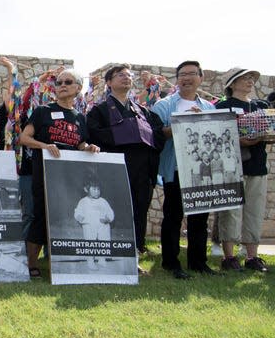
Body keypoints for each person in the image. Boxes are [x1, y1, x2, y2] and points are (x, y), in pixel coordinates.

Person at [18, 69, 100, 278]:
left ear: (78, 88)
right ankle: (31, 264)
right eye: (59, 82)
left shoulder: (80, 117)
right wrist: (45, 145)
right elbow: (24, 139)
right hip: (44, 174)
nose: (62, 85)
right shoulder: (43, 111)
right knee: (39, 217)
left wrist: (89, 147)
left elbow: (80, 143)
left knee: (65, 217)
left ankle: (63, 263)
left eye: (68, 82)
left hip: (70, 178)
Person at [86, 64, 165, 274]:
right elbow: (94, 134)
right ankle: (107, 256)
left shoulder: (143, 112)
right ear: (109, 82)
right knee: (114, 214)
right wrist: (126, 133)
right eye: (120, 75)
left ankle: (133, 258)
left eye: (129, 75)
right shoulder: (99, 111)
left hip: (142, 172)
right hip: (114, 171)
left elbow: (157, 138)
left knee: (138, 213)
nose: (126, 78)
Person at [152, 60, 217, 279]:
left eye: (191, 74)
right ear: (176, 79)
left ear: (201, 77)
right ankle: (171, 262)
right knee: (173, 216)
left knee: (200, 218)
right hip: (177, 170)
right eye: (182, 74)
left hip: (202, 171)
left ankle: (198, 262)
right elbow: (155, 135)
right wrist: (183, 123)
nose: (186, 78)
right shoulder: (164, 105)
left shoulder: (209, 107)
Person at [216, 68, 271, 272]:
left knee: (254, 212)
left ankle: (252, 257)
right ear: (232, 83)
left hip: (257, 165)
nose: (249, 81)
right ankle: (229, 257)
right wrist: (239, 140)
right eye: (244, 78)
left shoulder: (261, 106)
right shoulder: (222, 107)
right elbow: (216, 136)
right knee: (230, 212)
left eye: (251, 78)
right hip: (231, 167)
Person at [74, 178, 114, 270]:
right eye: (94, 189)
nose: (97, 192)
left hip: (102, 225)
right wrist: (79, 217)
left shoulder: (103, 201)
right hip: (89, 224)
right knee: (89, 242)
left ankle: (102, 259)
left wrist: (108, 218)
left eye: (98, 189)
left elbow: (110, 212)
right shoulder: (83, 201)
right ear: (86, 189)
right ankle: (90, 262)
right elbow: (77, 212)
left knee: (104, 241)